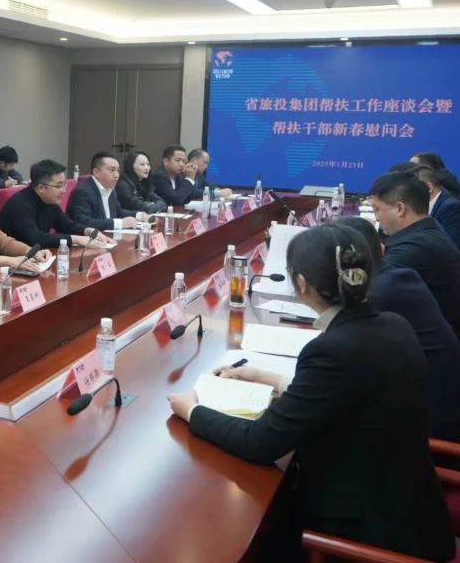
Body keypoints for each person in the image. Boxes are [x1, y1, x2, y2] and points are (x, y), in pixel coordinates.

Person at [168, 224, 455, 561]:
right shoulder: (394, 324)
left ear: (301, 283)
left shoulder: (333, 349)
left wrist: (192, 410)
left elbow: (260, 442)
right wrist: (266, 378)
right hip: (415, 514)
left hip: (368, 533)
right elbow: (349, 389)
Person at [335, 217, 460, 448]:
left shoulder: (375, 297)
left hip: (429, 435)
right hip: (439, 408)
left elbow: (339, 377)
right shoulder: (397, 276)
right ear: (381, 248)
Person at [368, 171, 460, 335]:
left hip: (424, 343)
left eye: (377, 209)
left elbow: (368, 294)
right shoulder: (428, 230)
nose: (376, 218)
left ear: (400, 208)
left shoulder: (413, 250)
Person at [0, 159, 114, 250]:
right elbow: (36, 238)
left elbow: (67, 225)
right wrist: (76, 239)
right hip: (4, 264)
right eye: (59, 185)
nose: (64, 190)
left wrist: (88, 231)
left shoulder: (49, 201)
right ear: (41, 188)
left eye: (64, 185)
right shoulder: (20, 204)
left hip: (33, 259)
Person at [66, 152, 140, 231]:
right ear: (96, 172)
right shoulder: (82, 192)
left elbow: (119, 212)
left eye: (118, 170)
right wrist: (119, 223)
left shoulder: (110, 189)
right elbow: (83, 223)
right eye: (112, 170)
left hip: (106, 236)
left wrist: (141, 215)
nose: (116, 175)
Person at [411, 165, 460, 249]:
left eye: (412, 191)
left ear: (428, 188)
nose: (408, 196)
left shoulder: (451, 208)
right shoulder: (424, 209)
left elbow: (451, 246)